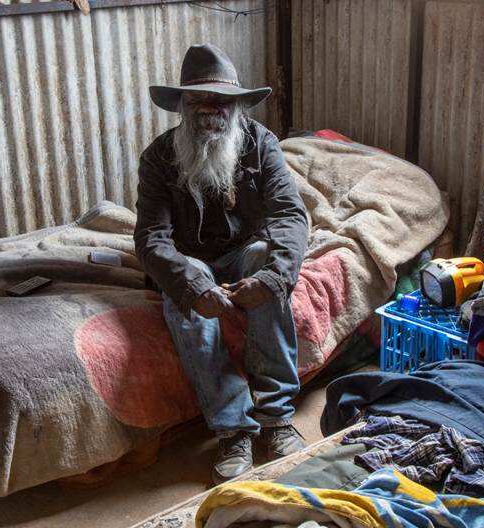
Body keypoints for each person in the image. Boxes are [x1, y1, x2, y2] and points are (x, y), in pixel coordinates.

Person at [134, 44, 310, 483]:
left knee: (266, 260)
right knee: (185, 292)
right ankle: (233, 431)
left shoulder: (261, 144)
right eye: (199, 100)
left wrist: (272, 278)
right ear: (182, 106)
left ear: (236, 105)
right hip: (191, 259)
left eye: (222, 100)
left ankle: (276, 418)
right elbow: (150, 238)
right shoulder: (158, 158)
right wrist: (191, 287)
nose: (211, 109)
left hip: (246, 250)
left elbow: (290, 215)